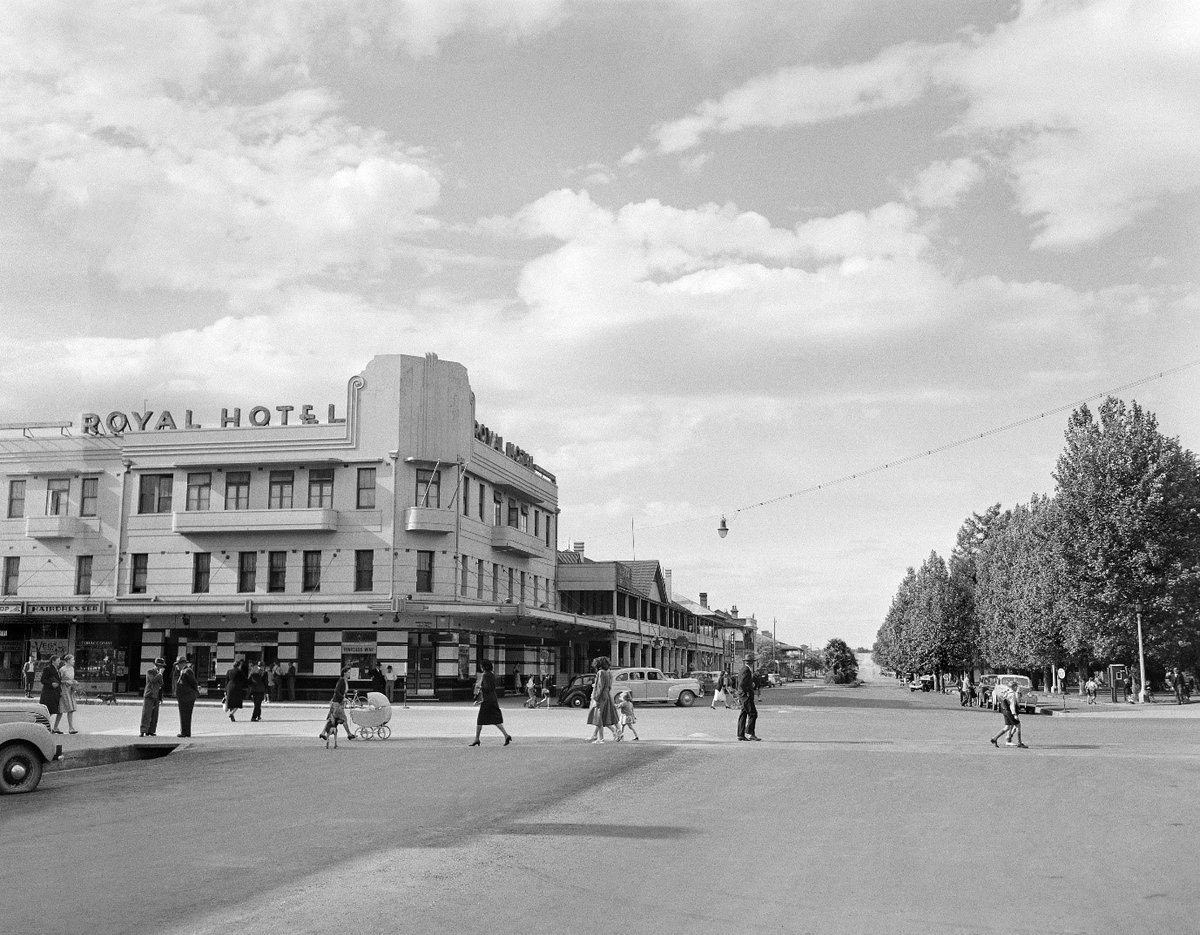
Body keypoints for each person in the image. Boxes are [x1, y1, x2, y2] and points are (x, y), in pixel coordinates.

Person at [469, 659, 512, 746]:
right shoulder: (492, 674)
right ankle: (506, 735)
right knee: (495, 719)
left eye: (481, 666)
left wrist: (480, 687)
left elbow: (487, 688)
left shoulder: (484, 675)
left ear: (483, 667)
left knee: (480, 720)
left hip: (487, 700)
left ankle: (477, 739)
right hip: (493, 698)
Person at [319, 665, 357, 742]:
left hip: (337, 702)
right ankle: (349, 734)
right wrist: (343, 698)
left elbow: (343, 692)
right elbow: (336, 691)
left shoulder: (345, 681)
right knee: (344, 719)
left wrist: (347, 698)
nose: (350, 674)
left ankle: (323, 733)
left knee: (331, 719)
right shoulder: (341, 680)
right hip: (337, 703)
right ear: (344, 673)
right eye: (348, 672)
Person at [586, 656, 619, 743]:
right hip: (606, 696)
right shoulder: (608, 673)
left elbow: (599, 687)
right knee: (601, 717)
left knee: (598, 718)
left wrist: (595, 698)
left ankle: (601, 738)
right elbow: (608, 686)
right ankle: (598, 736)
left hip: (600, 697)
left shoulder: (600, 672)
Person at [989, 679, 1027, 748]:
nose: (1017, 688)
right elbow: (1012, 705)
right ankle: (1019, 742)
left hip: (1005, 711)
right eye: (1016, 686)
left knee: (1007, 727)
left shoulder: (1006, 692)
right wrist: (1015, 715)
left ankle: (995, 738)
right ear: (1014, 687)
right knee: (1018, 725)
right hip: (1010, 712)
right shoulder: (1012, 694)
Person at [140, 657, 166, 737]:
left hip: (156, 695)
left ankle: (151, 730)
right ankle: (143, 730)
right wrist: (160, 674)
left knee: (154, 715)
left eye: (161, 666)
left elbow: (161, 685)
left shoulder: (159, 674)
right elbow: (152, 680)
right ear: (156, 665)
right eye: (159, 665)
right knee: (146, 713)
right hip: (149, 695)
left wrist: (160, 697)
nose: (160, 667)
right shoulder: (150, 672)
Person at [737, 653, 760, 741]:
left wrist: (751, 684)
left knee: (743, 714)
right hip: (746, 696)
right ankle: (750, 733)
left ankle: (741, 734)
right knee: (753, 714)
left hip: (743, 695)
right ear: (752, 663)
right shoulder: (747, 670)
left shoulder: (743, 669)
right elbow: (742, 684)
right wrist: (746, 692)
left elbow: (742, 683)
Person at [54, 654, 79, 735]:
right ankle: (56, 727)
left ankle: (70, 727)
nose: (74, 661)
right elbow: (58, 680)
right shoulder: (62, 669)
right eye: (73, 660)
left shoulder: (72, 668)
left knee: (70, 709)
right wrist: (65, 682)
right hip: (63, 690)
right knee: (61, 710)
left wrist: (74, 682)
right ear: (68, 661)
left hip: (70, 690)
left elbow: (71, 679)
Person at [175, 657, 199, 738]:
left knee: (185, 714)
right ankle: (186, 732)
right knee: (184, 715)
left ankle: (184, 732)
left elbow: (194, 683)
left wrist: (193, 693)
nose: (177, 666)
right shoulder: (183, 671)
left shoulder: (187, 671)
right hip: (184, 697)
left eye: (178, 664)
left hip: (187, 697)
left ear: (182, 664)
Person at [39, 655, 62, 722]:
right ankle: (43, 723)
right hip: (48, 693)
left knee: (52, 710)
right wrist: (51, 683)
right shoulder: (47, 669)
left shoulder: (57, 670)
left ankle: (45, 723)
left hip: (55, 692)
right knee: (48, 710)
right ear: (53, 661)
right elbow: (43, 680)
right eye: (58, 661)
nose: (59, 662)